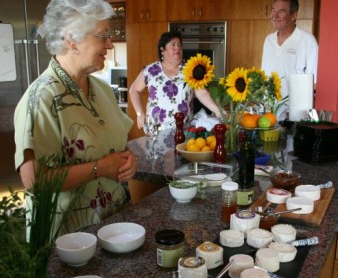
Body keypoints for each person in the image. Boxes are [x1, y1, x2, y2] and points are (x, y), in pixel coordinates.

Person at [14, 0, 137, 234]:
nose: (110, 44)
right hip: (69, 240)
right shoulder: (42, 98)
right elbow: (34, 181)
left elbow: (120, 144)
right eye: (103, 36)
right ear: (72, 40)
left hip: (113, 227)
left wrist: (129, 161)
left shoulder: (101, 89)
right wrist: (100, 168)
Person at [129, 31, 222, 132]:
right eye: (173, 45)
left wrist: (217, 110)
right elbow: (134, 90)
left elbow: (201, 93)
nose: (177, 48)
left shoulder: (190, 69)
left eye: (179, 45)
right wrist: (139, 113)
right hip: (155, 131)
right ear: (162, 49)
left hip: (184, 130)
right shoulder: (150, 70)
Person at [261, 0, 318, 121]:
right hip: (269, 116)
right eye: (273, 11)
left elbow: (314, 84)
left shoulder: (308, 41)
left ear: (294, 16)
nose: (274, 16)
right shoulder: (268, 40)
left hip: (295, 118)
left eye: (281, 12)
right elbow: (264, 76)